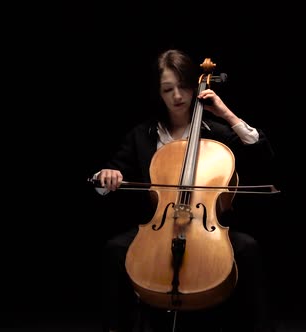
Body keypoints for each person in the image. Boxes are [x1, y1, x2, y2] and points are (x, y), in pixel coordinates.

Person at [93, 49, 276, 332]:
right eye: (168, 89)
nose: (177, 95)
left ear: (195, 87)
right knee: (114, 249)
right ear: (159, 92)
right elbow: (109, 173)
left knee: (248, 248)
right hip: (160, 225)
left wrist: (226, 114)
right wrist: (106, 175)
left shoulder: (215, 132)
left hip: (206, 227)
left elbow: (263, 156)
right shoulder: (142, 135)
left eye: (184, 86)